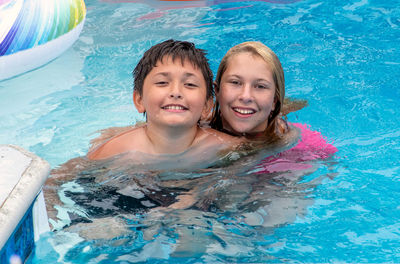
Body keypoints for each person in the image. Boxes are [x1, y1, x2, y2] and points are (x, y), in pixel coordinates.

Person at [88, 39, 242, 161]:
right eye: (162, 83)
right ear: (139, 100)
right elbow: (69, 175)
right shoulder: (115, 150)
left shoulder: (225, 147)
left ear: (207, 105)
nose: (176, 92)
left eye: (189, 84)